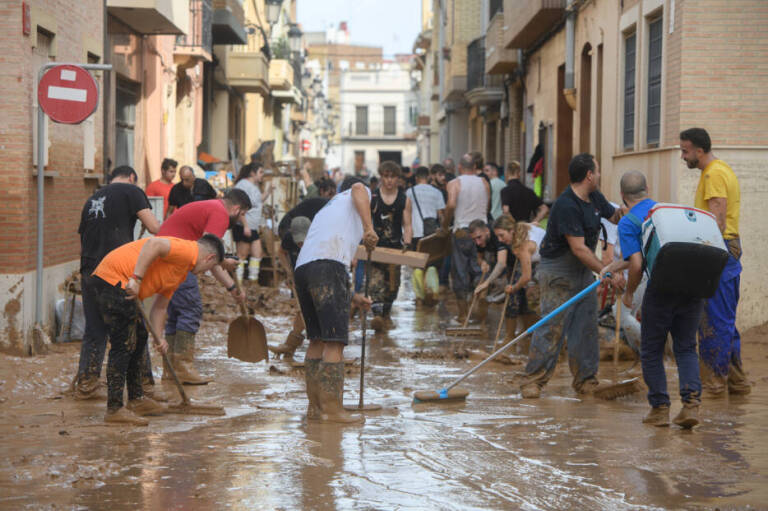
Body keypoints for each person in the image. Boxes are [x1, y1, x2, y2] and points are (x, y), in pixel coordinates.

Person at [601, 170, 702, 428]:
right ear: (647, 189)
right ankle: (691, 405)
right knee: (686, 347)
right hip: (692, 286)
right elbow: (644, 256)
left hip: (662, 290)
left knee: (651, 350)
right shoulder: (666, 210)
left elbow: (637, 265)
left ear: (622, 196)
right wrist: (616, 266)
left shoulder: (628, 222)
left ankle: (659, 409)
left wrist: (629, 293)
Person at [92, 234, 225, 425]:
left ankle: (137, 400)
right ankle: (114, 409)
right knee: (124, 344)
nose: (205, 272)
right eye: (209, 268)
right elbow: (154, 243)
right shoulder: (189, 251)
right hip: (114, 278)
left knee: (140, 337)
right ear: (209, 258)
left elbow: (160, 308)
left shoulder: (181, 270)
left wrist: (159, 339)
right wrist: (136, 278)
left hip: (123, 285)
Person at [519, 153, 620, 399]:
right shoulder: (566, 205)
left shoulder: (594, 197)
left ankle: (586, 381)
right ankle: (533, 380)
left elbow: (615, 216)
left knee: (586, 325)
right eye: (597, 170)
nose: (599, 175)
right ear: (589, 175)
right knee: (552, 325)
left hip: (582, 270)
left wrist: (639, 212)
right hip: (558, 271)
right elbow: (578, 248)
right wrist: (606, 271)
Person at [74, 165, 162, 400]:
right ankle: (144, 385)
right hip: (116, 272)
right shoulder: (131, 191)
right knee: (135, 327)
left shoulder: (92, 199)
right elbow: (155, 228)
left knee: (94, 329)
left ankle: (87, 385)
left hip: (89, 270)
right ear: (132, 177)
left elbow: (83, 243)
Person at [295, 176, 378, 424]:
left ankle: (316, 408)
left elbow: (327, 276)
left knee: (317, 338)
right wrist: (368, 228)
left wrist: (353, 297)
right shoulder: (355, 192)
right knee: (335, 340)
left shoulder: (328, 210)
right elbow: (358, 188)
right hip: (327, 265)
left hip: (304, 268)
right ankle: (332, 410)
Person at [680, 127, 750, 397]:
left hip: (718, 251)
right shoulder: (719, 171)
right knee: (724, 320)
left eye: (685, 151)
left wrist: (700, 255)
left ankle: (714, 384)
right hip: (725, 251)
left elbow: (717, 222)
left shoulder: (714, 174)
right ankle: (738, 382)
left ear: (699, 150)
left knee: (713, 320)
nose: (683, 156)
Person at [157, 188, 250, 384]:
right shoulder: (220, 214)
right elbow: (210, 253)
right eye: (242, 214)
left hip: (165, 254)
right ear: (235, 208)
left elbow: (210, 257)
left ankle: (171, 369)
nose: (241, 219)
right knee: (190, 309)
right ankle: (183, 368)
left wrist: (232, 288)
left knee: (176, 313)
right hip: (177, 257)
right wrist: (225, 264)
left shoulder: (211, 208)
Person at [270, 195, 333, 358]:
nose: (300, 245)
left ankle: (325, 348)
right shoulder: (289, 238)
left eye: (303, 241)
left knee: (318, 309)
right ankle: (292, 344)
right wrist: (288, 272)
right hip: (300, 273)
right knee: (303, 309)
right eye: (298, 242)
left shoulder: (319, 237)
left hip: (318, 273)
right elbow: (282, 253)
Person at [442, 154, 490, 322]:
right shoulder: (484, 182)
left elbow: (451, 205)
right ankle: (480, 306)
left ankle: (463, 314)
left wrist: (444, 224)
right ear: (475, 167)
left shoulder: (455, 183)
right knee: (479, 268)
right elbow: (487, 205)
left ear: (459, 168)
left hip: (462, 231)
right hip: (482, 231)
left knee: (460, 273)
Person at [368, 161, 413, 331]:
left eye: (392, 177)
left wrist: (407, 243)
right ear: (381, 177)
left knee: (393, 285)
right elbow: (366, 222)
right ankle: (377, 316)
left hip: (395, 247)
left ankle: (386, 314)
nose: (389, 181)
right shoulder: (373, 197)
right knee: (374, 282)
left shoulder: (404, 199)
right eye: (386, 177)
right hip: (375, 247)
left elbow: (407, 225)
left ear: (398, 179)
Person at [493, 214, 546, 347]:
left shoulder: (522, 246)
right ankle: (517, 336)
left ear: (512, 230)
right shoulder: (524, 227)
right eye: (497, 237)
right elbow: (536, 225)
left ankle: (538, 339)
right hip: (540, 260)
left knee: (533, 300)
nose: (500, 240)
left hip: (549, 264)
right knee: (520, 296)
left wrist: (513, 288)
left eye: (502, 235)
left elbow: (526, 277)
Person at [406, 166, 446, 302]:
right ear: (428, 177)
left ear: (416, 178)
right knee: (432, 263)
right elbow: (441, 215)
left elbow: (406, 215)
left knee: (417, 265)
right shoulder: (436, 192)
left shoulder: (409, 192)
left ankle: (419, 296)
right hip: (431, 234)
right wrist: (443, 231)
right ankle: (433, 292)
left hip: (415, 233)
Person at [233, 160, 273, 282]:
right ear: (252, 173)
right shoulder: (243, 185)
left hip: (253, 226)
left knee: (257, 254)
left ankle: (252, 281)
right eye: (260, 172)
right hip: (244, 225)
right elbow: (239, 207)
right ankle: (238, 283)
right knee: (242, 255)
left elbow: (257, 200)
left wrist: (268, 191)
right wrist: (245, 225)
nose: (262, 175)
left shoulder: (253, 187)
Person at [470, 219, 509, 307]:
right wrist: (482, 263)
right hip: (498, 255)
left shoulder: (497, 235)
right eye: (474, 239)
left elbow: (501, 263)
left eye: (479, 237)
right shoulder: (478, 239)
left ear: (487, 231)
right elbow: (479, 257)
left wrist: (486, 283)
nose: (477, 242)